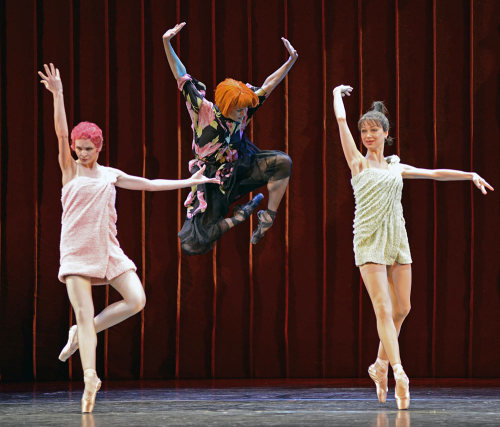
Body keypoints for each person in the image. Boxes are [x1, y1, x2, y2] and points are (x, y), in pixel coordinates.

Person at [38, 63, 219, 413]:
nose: (82, 153)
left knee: (136, 300)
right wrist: (58, 95)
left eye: (88, 148)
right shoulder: (69, 172)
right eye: (79, 148)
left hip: (108, 250)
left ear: (99, 148)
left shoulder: (110, 175)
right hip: (76, 253)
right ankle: (90, 378)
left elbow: (150, 184)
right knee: (84, 311)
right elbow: (60, 134)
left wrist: (196, 182)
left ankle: (80, 333)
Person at [332, 84, 493, 410]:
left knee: (402, 308)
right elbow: (340, 121)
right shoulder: (357, 164)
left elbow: (434, 174)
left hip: (397, 239)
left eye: (373, 130)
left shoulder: (395, 167)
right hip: (368, 240)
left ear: (386, 132)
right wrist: (336, 93)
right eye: (364, 130)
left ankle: (378, 365)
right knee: (383, 309)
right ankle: (398, 373)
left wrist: (469, 174)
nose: (367, 135)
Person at [162, 22, 297, 255]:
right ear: (226, 106)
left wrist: (290, 61)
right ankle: (239, 217)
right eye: (239, 110)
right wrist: (167, 43)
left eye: (245, 109)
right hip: (211, 179)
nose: (244, 114)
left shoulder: (245, 107)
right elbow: (181, 74)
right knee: (192, 244)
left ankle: (267, 217)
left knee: (283, 162)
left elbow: (268, 86)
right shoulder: (203, 111)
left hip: (239, 166)